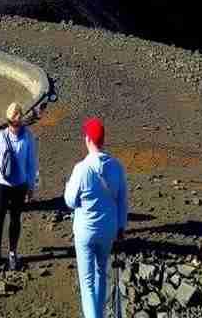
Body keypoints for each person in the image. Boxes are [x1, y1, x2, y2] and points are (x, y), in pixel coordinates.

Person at [64, 117, 128, 318]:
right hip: (108, 229)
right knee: (102, 273)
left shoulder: (81, 170)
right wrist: (121, 227)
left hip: (85, 231)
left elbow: (70, 201)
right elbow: (123, 200)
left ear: (88, 140)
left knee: (87, 281)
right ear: (102, 140)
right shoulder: (117, 167)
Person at [0, 101, 39, 271]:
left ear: (21, 120)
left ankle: (12, 253)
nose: (13, 126)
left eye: (16, 123)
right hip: (1, 185)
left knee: (15, 219)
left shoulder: (28, 137)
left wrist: (31, 186)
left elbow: (31, 164)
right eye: (10, 123)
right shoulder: (0, 137)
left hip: (19, 186)